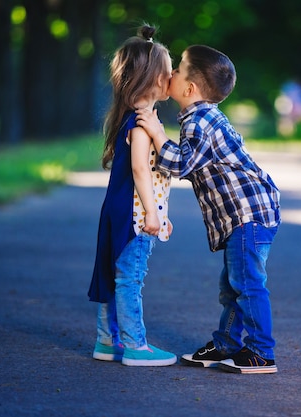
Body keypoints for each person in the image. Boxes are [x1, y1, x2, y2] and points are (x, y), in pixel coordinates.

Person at [136, 45, 281, 374]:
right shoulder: (200, 117)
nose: (169, 73)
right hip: (248, 215)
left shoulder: (200, 122)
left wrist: (157, 134)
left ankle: (261, 352)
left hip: (248, 216)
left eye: (177, 70)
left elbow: (182, 164)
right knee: (232, 285)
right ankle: (227, 343)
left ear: (189, 88)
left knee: (247, 284)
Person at [87, 25, 176, 367]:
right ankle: (136, 346)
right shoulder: (141, 126)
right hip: (134, 217)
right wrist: (152, 215)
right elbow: (142, 171)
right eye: (169, 73)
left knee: (115, 275)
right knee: (130, 279)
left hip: (120, 210)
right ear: (155, 80)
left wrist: (161, 213)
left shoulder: (134, 119)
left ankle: (107, 341)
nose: (173, 79)